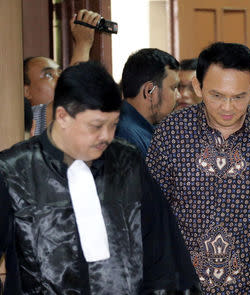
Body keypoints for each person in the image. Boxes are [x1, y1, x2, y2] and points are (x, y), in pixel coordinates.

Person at [0, 61, 199, 294]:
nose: (106, 137)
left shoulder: (127, 161)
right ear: (62, 116)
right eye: (96, 126)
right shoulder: (14, 170)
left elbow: (163, 258)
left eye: (113, 125)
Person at [146, 42, 250, 294]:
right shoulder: (171, 132)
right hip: (187, 285)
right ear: (198, 87)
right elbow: (152, 214)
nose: (227, 107)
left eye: (239, 97)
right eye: (217, 95)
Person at [24, 9, 101, 136]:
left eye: (60, 72)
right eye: (48, 75)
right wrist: (83, 44)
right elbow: (71, 96)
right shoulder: (28, 118)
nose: (60, 78)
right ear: (26, 91)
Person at [115, 48, 181, 158]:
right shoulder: (126, 138)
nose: (179, 96)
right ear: (149, 91)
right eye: (173, 88)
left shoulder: (143, 130)